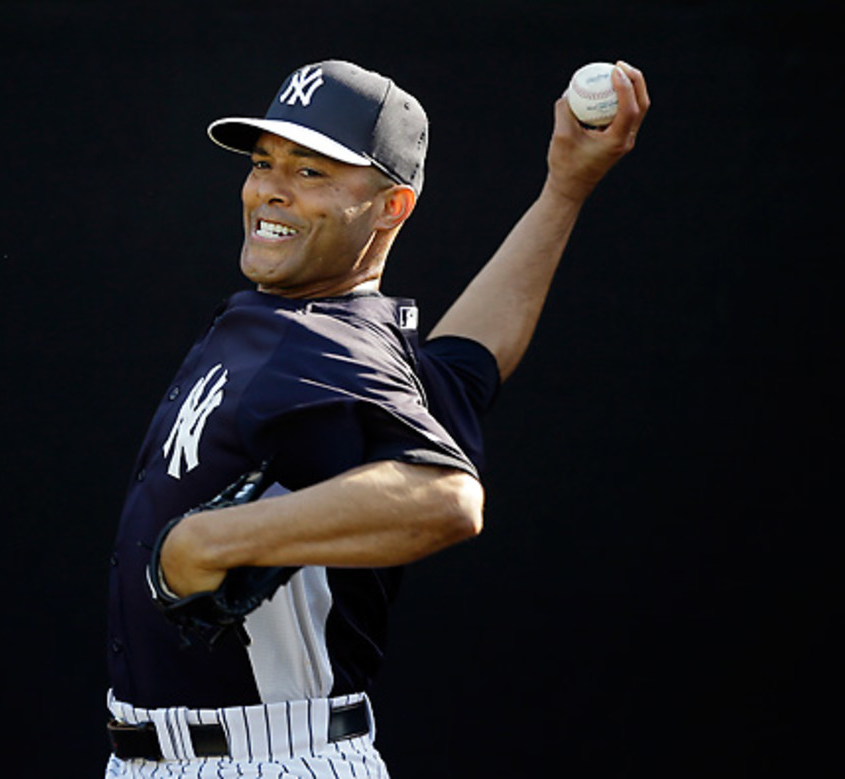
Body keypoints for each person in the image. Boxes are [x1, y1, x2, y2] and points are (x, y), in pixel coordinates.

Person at [104, 59, 649, 777]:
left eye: (312, 172)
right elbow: (465, 363)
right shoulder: (331, 330)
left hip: (262, 757)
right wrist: (565, 187)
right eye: (266, 161)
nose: (269, 185)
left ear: (392, 207)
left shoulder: (323, 342)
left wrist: (207, 538)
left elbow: (446, 496)